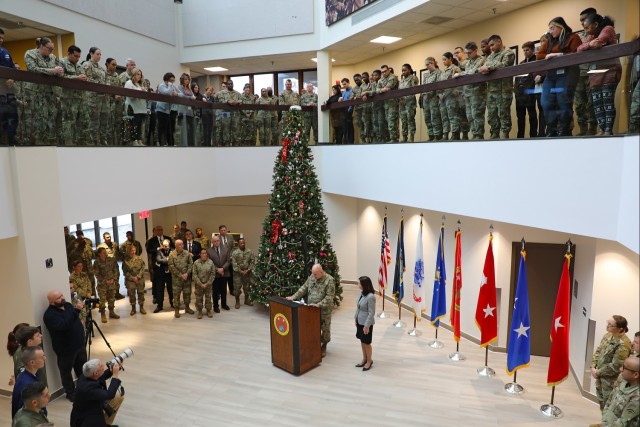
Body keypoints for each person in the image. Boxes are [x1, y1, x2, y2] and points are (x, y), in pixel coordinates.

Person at [535, 17, 582, 137]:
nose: (550, 31)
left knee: (563, 101)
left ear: (561, 27)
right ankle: (552, 129)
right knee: (546, 102)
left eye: (552, 28)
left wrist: (560, 55)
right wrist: (549, 54)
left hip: (568, 73)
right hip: (551, 75)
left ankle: (564, 129)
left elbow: (577, 53)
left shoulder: (573, 37)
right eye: (549, 29)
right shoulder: (550, 41)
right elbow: (539, 55)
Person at [577, 14, 621, 136]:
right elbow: (579, 49)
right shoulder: (592, 36)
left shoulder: (608, 29)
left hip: (609, 70)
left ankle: (608, 130)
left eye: (587, 28)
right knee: (597, 103)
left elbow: (600, 42)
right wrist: (589, 45)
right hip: (595, 73)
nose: (586, 31)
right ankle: (602, 129)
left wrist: (590, 45)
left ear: (595, 24)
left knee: (607, 102)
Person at [42, 290, 87, 402]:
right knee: (66, 372)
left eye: (61, 295)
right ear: (51, 301)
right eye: (58, 297)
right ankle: (71, 393)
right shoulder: (49, 315)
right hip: (65, 349)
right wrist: (76, 310)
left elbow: (74, 320)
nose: (62, 298)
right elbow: (64, 326)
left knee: (82, 369)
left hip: (79, 345)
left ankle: (85, 388)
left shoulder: (68, 305)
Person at [287, 264, 336, 358]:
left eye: (316, 274)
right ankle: (314, 344)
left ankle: (324, 345)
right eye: (313, 274)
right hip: (311, 308)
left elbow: (329, 297)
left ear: (321, 272)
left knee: (325, 328)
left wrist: (319, 304)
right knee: (313, 327)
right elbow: (304, 288)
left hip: (323, 310)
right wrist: (293, 297)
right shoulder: (312, 277)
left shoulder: (329, 280)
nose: (314, 276)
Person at [24, 37, 64, 145]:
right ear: (41, 46)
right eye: (49, 48)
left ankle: (49, 143)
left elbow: (59, 68)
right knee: (38, 119)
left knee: (51, 118)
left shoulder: (53, 57)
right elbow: (33, 69)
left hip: (50, 93)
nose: (51, 51)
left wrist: (60, 72)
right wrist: (52, 71)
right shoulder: (30, 54)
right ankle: (36, 143)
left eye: (53, 49)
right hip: (35, 93)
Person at [591, 315, 632, 410]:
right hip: (600, 376)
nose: (607, 326)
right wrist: (593, 366)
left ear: (620, 329)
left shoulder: (623, 344)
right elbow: (598, 351)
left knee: (608, 407)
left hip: (610, 381)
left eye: (610, 324)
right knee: (601, 403)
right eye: (608, 323)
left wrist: (598, 372)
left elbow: (616, 365)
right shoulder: (608, 335)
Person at [479, 34, 515, 139]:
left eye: (492, 45)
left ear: (499, 41)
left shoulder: (508, 53)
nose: (491, 48)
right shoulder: (491, 56)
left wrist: (489, 67)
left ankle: (505, 134)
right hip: (491, 90)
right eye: (489, 46)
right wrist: (487, 68)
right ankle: (494, 133)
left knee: (503, 113)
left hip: (503, 89)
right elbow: (483, 67)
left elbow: (504, 65)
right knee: (491, 114)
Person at [70, 359, 123, 427]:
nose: (103, 366)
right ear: (96, 373)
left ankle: (106, 422)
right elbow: (110, 394)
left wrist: (111, 370)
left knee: (118, 397)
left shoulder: (86, 375)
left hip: (91, 409)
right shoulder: (88, 388)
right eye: (101, 366)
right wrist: (115, 375)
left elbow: (102, 376)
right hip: (86, 421)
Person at [590, 357, 639, 427]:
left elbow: (622, 423)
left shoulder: (637, 396)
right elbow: (609, 401)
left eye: (624, 368)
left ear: (636, 375)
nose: (620, 369)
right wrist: (604, 421)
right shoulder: (623, 382)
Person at [454, 42, 487, 140]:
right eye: (466, 53)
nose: (467, 55)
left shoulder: (481, 60)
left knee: (477, 114)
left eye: (469, 53)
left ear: (476, 51)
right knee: (469, 116)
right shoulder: (468, 62)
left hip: (477, 92)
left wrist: (461, 74)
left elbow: (472, 72)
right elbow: (465, 69)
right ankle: (474, 134)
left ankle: (479, 135)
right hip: (467, 93)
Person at [59, 45, 88, 146]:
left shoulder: (79, 66)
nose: (77, 59)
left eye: (79, 57)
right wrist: (77, 78)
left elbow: (83, 77)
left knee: (81, 120)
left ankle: (80, 141)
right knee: (68, 120)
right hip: (67, 98)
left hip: (80, 97)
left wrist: (84, 78)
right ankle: (68, 142)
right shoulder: (62, 62)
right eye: (75, 56)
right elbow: (61, 77)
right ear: (69, 54)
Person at [82, 47, 109, 146]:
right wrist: (100, 84)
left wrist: (107, 86)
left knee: (104, 119)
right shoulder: (87, 65)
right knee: (94, 120)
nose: (99, 56)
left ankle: (102, 140)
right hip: (93, 97)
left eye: (100, 54)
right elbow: (87, 79)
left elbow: (106, 80)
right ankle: (92, 141)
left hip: (103, 98)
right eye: (97, 54)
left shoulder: (101, 68)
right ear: (91, 54)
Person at [11, 346, 47, 418]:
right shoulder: (29, 385)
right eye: (42, 357)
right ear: (32, 362)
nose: (45, 358)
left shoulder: (24, 375)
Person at [515, 41, 540, 138]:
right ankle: (520, 136)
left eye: (527, 50)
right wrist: (516, 90)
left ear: (533, 50)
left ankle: (533, 136)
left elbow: (535, 77)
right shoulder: (521, 63)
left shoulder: (536, 61)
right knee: (520, 117)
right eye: (524, 50)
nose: (525, 52)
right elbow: (517, 79)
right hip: (520, 93)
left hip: (531, 91)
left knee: (532, 115)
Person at [438, 52, 462, 141]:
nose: (443, 62)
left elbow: (459, 85)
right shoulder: (443, 72)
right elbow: (439, 84)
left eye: (445, 59)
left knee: (453, 116)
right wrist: (439, 94)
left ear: (450, 59)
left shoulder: (456, 69)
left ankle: (455, 135)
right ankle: (445, 135)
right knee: (444, 117)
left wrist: (451, 93)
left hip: (452, 96)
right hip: (443, 98)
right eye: (442, 60)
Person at [354, 276, 376, 371]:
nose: (358, 285)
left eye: (359, 283)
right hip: (359, 321)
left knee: (366, 343)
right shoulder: (361, 293)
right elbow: (358, 307)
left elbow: (371, 313)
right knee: (362, 341)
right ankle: (364, 358)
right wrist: (356, 319)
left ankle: (369, 361)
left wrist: (367, 326)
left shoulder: (371, 297)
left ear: (364, 285)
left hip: (366, 324)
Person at [94, 247, 120, 323]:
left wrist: (114, 279)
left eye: (106, 252)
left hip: (111, 283)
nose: (105, 254)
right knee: (102, 300)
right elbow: (96, 274)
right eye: (103, 253)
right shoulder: (96, 262)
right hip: (102, 284)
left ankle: (111, 312)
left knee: (112, 298)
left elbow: (115, 269)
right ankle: (103, 314)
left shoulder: (111, 260)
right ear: (99, 254)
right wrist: (105, 281)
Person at [168, 239, 194, 318]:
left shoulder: (187, 253)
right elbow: (171, 267)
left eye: (182, 244)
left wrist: (187, 273)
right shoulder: (172, 255)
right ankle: (176, 310)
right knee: (176, 294)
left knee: (187, 293)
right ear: (176, 246)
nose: (182, 246)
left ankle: (187, 307)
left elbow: (191, 264)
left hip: (186, 278)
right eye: (180, 244)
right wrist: (180, 275)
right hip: (177, 279)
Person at [124, 67, 148, 146]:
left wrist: (144, 91)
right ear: (133, 74)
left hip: (141, 108)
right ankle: (133, 140)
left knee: (139, 126)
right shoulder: (129, 83)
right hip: (132, 108)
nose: (139, 76)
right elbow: (130, 95)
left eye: (140, 75)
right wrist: (140, 91)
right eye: (137, 74)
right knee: (133, 125)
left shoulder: (140, 84)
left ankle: (139, 139)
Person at [207, 235, 231, 313]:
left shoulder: (226, 249)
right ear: (212, 242)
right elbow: (209, 262)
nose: (216, 242)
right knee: (215, 291)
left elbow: (229, 261)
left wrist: (223, 268)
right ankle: (216, 306)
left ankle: (224, 304)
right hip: (215, 274)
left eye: (217, 241)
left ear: (219, 241)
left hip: (224, 273)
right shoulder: (209, 251)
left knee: (224, 290)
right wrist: (217, 269)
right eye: (214, 241)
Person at [421, 57, 443, 141]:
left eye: (428, 64)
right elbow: (423, 86)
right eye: (425, 65)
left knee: (435, 117)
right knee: (427, 118)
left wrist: (429, 94)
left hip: (434, 98)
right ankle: (430, 135)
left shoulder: (439, 73)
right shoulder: (426, 75)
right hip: (426, 99)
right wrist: (424, 94)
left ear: (433, 63)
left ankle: (437, 136)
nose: (426, 66)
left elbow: (439, 86)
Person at [231, 238, 255, 308]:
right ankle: (237, 302)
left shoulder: (249, 251)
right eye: (241, 243)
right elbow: (234, 263)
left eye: (244, 243)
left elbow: (252, 261)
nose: (243, 244)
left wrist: (248, 270)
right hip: (238, 273)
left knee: (247, 287)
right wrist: (240, 271)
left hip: (247, 272)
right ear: (238, 244)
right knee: (237, 288)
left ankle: (246, 300)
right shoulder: (235, 253)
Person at [378, 64, 400, 143]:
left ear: (388, 70)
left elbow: (389, 87)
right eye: (382, 72)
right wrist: (381, 90)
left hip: (393, 103)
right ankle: (393, 138)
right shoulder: (381, 80)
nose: (384, 73)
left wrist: (382, 89)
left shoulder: (393, 77)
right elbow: (377, 89)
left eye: (385, 71)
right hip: (386, 104)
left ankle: (394, 139)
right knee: (388, 122)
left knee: (392, 122)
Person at [122, 245, 146, 315]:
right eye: (132, 250)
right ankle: (133, 308)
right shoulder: (126, 260)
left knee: (141, 293)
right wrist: (133, 278)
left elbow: (142, 268)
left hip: (139, 279)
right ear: (128, 251)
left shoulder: (139, 258)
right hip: (130, 280)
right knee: (132, 294)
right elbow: (125, 272)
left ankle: (141, 307)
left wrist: (138, 277)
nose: (133, 252)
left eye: (134, 250)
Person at [192, 249, 215, 319]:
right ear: (200, 254)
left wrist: (207, 283)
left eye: (205, 253)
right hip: (199, 285)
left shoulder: (210, 262)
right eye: (203, 253)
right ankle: (200, 311)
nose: (204, 255)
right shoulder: (196, 263)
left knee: (208, 298)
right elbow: (194, 274)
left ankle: (208, 310)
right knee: (199, 298)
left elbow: (213, 274)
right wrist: (200, 283)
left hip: (208, 285)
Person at [398, 64, 419, 142]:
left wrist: (406, 98)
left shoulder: (413, 78)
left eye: (405, 70)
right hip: (402, 104)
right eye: (402, 71)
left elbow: (414, 90)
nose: (403, 72)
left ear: (409, 70)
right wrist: (400, 99)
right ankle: (404, 137)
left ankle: (411, 137)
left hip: (410, 103)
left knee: (410, 120)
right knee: (403, 121)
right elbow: (399, 92)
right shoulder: (402, 80)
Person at [156, 72, 178, 146]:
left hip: (168, 111)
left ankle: (170, 144)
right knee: (161, 128)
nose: (172, 82)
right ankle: (161, 143)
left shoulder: (172, 86)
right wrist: (169, 86)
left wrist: (176, 94)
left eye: (173, 81)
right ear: (166, 80)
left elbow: (180, 93)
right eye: (171, 80)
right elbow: (167, 93)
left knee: (169, 129)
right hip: (161, 110)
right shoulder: (161, 86)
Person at [153, 239, 173, 313]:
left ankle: (172, 303)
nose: (165, 247)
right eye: (164, 246)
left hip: (170, 274)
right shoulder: (159, 251)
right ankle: (159, 306)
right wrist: (167, 259)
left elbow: (172, 260)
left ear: (169, 245)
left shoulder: (173, 251)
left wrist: (164, 260)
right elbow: (158, 260)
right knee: (160, 290)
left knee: (171, 290)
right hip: (161, 274)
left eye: (167, 246)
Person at [175, 73, 195, 147]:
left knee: (190, 129)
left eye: (188, 79)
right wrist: (190, 97)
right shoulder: (179, 87)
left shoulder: (189, 89)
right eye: (185, 79)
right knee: (182, 128)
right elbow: (181, 95)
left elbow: (193, 96)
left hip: (189, 111)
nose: (187, 81)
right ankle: (182, 144)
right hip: (182, 111)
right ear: (182, 80)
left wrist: (190, 97)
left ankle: (190, 144)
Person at [340, 78, 354, 144]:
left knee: (350, 127)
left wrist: (349, 110)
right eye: (343, 84)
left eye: (345, 84)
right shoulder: (344, 92)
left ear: (348, 83)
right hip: (344, 111)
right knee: (345, 127)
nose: (344, 85)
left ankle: (350, 141)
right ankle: (345, 141)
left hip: (350, 110)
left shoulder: (352, 91)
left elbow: (352, 102)